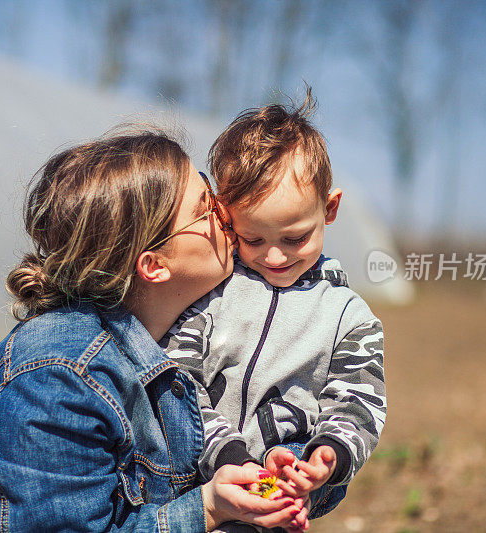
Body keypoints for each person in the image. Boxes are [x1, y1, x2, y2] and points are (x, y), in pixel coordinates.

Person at [0, 129, 309, 532]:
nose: (226, 212)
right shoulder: (58, 378)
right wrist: (208, 509)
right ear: (154, 265)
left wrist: (300, 473)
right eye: (204, 207)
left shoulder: (199, 334)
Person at [161, 91, 386, 527]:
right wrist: (227, 454)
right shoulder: (210, 291)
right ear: (227, 220)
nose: (276, 257)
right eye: (254, 239)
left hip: (280, 485)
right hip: (195, 484)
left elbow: (359, 402)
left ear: (330, 208)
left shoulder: (350, 318)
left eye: (295, 238)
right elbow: (177, 382)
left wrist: (328, 456)